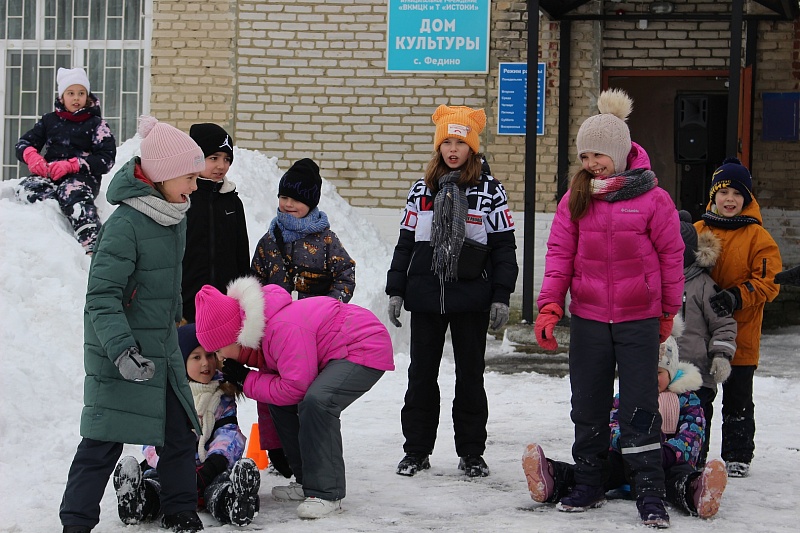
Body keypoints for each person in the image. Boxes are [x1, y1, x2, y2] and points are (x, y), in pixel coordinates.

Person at [534, 89, 684, 527]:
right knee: (588, 404)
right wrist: (549, 306)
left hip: (639, 319)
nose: (592, 163)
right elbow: (559, 255)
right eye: (585, 156)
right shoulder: (576, 198)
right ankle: (590, 482)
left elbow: (671, 256)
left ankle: (649, 490)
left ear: (619, 153)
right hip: (590, 319)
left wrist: (667, 310)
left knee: (640, 406)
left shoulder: (653, 199)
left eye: (599, 154)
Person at [59, 116, 206, 533]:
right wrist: (123, 350)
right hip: (120, 351)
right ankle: (75, 523)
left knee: (179, 433)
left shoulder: (171, 215)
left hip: (161, 348)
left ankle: (180, 510)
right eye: (190, 177)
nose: (195, 186)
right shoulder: (125, 225)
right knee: (103, 441)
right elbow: (101, 297)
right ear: (162, 175)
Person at [385, 104, 518, 478]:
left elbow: (504, 248)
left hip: (471, 297)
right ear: (438, 146)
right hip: (426, 295)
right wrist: (396, 289)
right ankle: (416, 450)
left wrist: (501, 295)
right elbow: (406, 243)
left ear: (472, 147)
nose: (453, 149)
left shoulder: (489, 191)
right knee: (421, 377)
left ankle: (472, 452)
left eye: (460, 142)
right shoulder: (421, 190)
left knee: (471, 377)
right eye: (447, 142)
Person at [194, 276, 394, 519]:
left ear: (235, 336)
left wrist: (247, 379)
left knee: (318, 401)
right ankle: (306, 481)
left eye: (218, 349)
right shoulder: (262, 335)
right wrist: (275, 446)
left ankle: (327, 493)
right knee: (284, 401)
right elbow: (273, 394)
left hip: (363, 345)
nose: (219, 357)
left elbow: (296, 387)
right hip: (339, 351)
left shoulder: (280, 328)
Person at [522, 332, 729, 521]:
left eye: (658, 372)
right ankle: (554, 477)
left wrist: (668, 453)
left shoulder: (686, 400)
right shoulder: (627, 397)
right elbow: (613, 422)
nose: (650, 378)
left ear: (671, 372)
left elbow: (693, 432)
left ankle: (696, 490)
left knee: (678, 477)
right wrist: (624, 443)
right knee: (599, 470)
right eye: (645, 372)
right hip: (627, 458)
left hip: (668, 462)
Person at [113, 323, 260, 527]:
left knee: (218, 487)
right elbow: (153, 437)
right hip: (171, 467)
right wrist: (165, 463)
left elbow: (228, 433)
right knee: (158, 484)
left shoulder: (221, 394)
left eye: (209, 355)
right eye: (196, 357)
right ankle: (138, 500)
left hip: (209, 468)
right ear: (181, 361)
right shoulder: (169, 394)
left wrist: (213, 465)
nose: (205, 363)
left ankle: (236, 501)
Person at [695, 157, 782, 478]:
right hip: (699, 335)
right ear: (713, 196)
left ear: (747, 198)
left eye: (737, 193)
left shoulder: (759, 238)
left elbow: (769, 282)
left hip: (741, 336)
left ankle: (737, 454)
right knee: (698, 398)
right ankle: (694, 449)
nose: (729, 199)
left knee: (738, 400)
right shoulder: (698, 230)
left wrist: (736, 296)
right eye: (723, 192)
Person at [15, 67, 116, 254]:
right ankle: (52, 223)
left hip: (82, 178)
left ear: (87, 96)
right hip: (51, 175)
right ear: (62, 97)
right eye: (71, 93)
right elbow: (23, 143)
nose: (76, 98)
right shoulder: (49, 121)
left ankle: (93, 242)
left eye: (81, 93)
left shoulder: (96, 124)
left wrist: (74, 164)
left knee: (72, 193)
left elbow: (106, 158)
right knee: (28, 188)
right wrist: (33, 157)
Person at [675, 210, 737, 467]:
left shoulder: (704, 286)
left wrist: (721, 355)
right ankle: (667, 464)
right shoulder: (653, 280)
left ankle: (696, 465)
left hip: (697, 372)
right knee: (665, 419)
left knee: (696, 421)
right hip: (661, 372)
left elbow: (724, 323)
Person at [251, 157, 355, 303]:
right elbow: (255, 281)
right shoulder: (269, 239)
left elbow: (345, 276)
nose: (288, 204)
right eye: (284, 197)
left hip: (315, 316)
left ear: (310, 203)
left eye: (296, 199)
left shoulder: (327, 240)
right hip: (277, 315)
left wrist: (328, 307)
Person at [180, 123, 250, 323]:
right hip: (186, 304)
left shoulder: (232, 202)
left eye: (227, 159)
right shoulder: (182, 199)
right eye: (214, 158)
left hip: (225, 304)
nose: (221, 165)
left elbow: (241, 254)